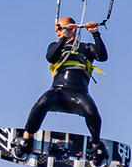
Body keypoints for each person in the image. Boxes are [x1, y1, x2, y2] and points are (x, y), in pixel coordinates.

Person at [22, 17, 107, 155]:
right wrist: (63, 39)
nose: (57, 33)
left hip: (79, 94)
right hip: (58, 91)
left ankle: (96, 145)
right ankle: (27, 137)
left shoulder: (86, 47)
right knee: (41, 103)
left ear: (72, 28)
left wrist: (95, 33)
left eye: (59, 29)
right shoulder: (54, 46)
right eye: (56, 31)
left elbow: (102, 57)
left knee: (92, 112)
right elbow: (51, 57)